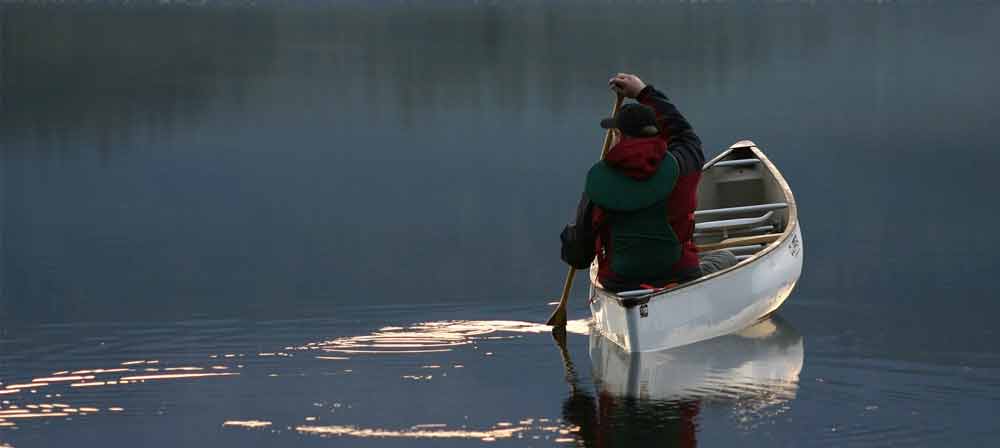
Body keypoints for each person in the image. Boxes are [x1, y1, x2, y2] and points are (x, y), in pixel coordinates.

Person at [560, 73, 735, 292]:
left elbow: (580, 257)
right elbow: (683, 133)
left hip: (621, 283)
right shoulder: (684, 164)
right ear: (658, 134)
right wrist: (644, 92)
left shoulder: (599, 183)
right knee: (727, 257)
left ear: (617, 135)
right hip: (679, 275)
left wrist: (570, 236)